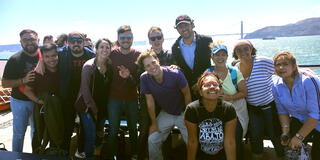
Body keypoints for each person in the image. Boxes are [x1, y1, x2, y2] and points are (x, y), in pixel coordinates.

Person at [232, 40, 284, 159]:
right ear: (235, 53)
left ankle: (282, 156)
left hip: (269, 106)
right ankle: (257, 156)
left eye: (246, 48)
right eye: (238, 50)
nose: (243, 52)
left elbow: (281, 71)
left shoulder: (263, 61)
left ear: (252, 49)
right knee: (255, 135)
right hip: (252, 108)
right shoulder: (236, 68)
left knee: (274, 134)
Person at [137, 50, 192, 160]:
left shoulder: (175, 74)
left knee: (192, 140)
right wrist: (153, 123)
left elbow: (187, 95)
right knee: (152, 139)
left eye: (153, 62)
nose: (152, 67)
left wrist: (189, 118)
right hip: (166, 113)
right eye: (147, 65)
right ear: (144, 69)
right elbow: (150, 102)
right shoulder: (144, 78)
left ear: (158, 60)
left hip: (183, 113)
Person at [272, 51, 320, 160]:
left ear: (294, 66)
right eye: (278, 65)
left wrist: (299, 137)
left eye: (285, 64)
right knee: (292, 150)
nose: (281, 67)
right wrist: (285, 132)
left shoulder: (308, 81)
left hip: (317, 119)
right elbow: (282, 111)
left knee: (317, 154)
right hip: (301, 119)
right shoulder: (276, 85)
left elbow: (315, 114)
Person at [137, 26, 176, 160]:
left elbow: (177, 75)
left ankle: (167, 156)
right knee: (145, 130)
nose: (156, 40)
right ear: (149, 41)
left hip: (165, 101)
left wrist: (176, 68)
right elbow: (139, 79)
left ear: (163, 38)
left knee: (165, 131)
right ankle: (142, 156)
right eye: (153, 38)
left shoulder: (170, 55)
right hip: (147, 100)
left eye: (159, 37)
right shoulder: (144, 57)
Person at [205, 41, 248, 160]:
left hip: (236, 111)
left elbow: (244, 92)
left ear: (227, 56)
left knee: (234, 139)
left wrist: (229, 98)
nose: (220, 58)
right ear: (212, 57)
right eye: (217, 55)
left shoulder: (234, 72)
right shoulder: (208, 73)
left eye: (223, 54)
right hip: (216, 112)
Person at [2, 29, 40, 152]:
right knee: (19, 133)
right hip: (20, 101)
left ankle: (35, 155)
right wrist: (23, 80)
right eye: (26, 40)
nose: (29, 42)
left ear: (38, 40)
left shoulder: (44, 56)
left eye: (32, 39)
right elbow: (5, 83)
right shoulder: (15, 59)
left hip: (37, 101)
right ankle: (16, 156)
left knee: (36, 131)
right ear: (21, 42)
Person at [185, 72, 237, 160]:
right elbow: (192, 141)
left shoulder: (229, 109)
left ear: (220, 90)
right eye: (207, 84)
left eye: (215, 84)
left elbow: (230, 142)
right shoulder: (192, 109)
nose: (212, 87)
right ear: (200, 92)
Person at [23, 43, 64, 154]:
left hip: (58, 109)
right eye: (47, 56)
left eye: (54, 56)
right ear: (42, 57)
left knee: (56, 132)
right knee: (39, 134)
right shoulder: (37, 73)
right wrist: (38, 101)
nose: (51, 59)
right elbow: (27, 90)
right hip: (42, 110)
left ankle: (54, 154)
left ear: (58, 55)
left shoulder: (63, 69)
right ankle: (36, 155)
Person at [107, 25, 140, 159]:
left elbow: (139, 80)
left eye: (128, 37)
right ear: (118, 39)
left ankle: (135, 154)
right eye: (122, 38)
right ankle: (111, 155)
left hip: (132, 98)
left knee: (133, 129)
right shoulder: (112, 53)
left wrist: (129, 76)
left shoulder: (138, 55)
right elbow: (96, 58)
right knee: (113, 129)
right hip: (113, 98)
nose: (125, 40)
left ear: (132, 38)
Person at [77, 38, 113, 159]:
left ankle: (97, 154)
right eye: (101, 47)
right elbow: (85, 91)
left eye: (107, 47)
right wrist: (94, 110)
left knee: (99, 134)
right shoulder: (88, 66)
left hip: (102, 106)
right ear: (96, 49)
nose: (104, 49)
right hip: (87, 106)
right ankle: (89, 156)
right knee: (91, 135)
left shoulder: (109, 65)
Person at [172, 14, 212, 100]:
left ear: (192, 25)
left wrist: (200, 82)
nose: (184, 29)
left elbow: (214, 63)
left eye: (186, 25)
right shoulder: (175, 47)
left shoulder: (206, 41)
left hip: (207, 85)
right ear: (177, 29)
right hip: (188, 91)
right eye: (180, 27)